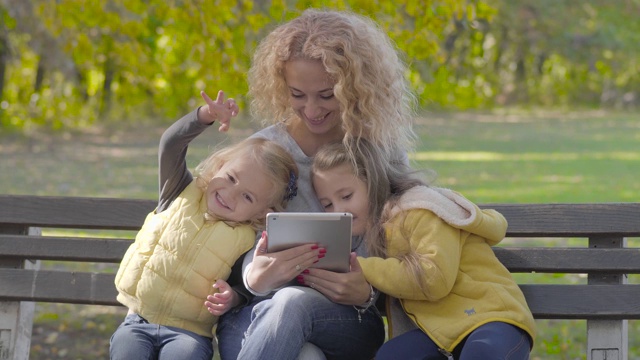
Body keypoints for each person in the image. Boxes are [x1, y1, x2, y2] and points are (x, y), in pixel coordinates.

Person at [212, 8, 417, 360]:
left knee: (293, 303)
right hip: (254, 314)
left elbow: (409, 248)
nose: (311, 109)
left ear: (354, 88)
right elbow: (224, 231)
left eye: (326, 95)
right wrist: (252, 277)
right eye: (297, 94)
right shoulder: (266, 152)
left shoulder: (379, 156)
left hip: (346, 319)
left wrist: (367, 291)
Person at [109, 90, 299, 360]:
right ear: (220, 165)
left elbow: (244, 287)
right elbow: (170, 145)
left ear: (262, 211)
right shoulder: (179, 191)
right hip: (137, 321)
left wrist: (231, 298)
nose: (230, 194)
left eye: (247, 196)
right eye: (231, 178)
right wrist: (204, 116)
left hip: (189, 334)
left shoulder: (246, 238)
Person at [306, 139, 537, 360]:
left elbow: (433, 279)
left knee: (481, 355)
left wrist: (358, 265)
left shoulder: (420, 211)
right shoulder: (378, 229)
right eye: (327, 204)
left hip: (491, 318)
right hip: (439, 331)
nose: (339, 210)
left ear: (374, 183)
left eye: (346, 196)